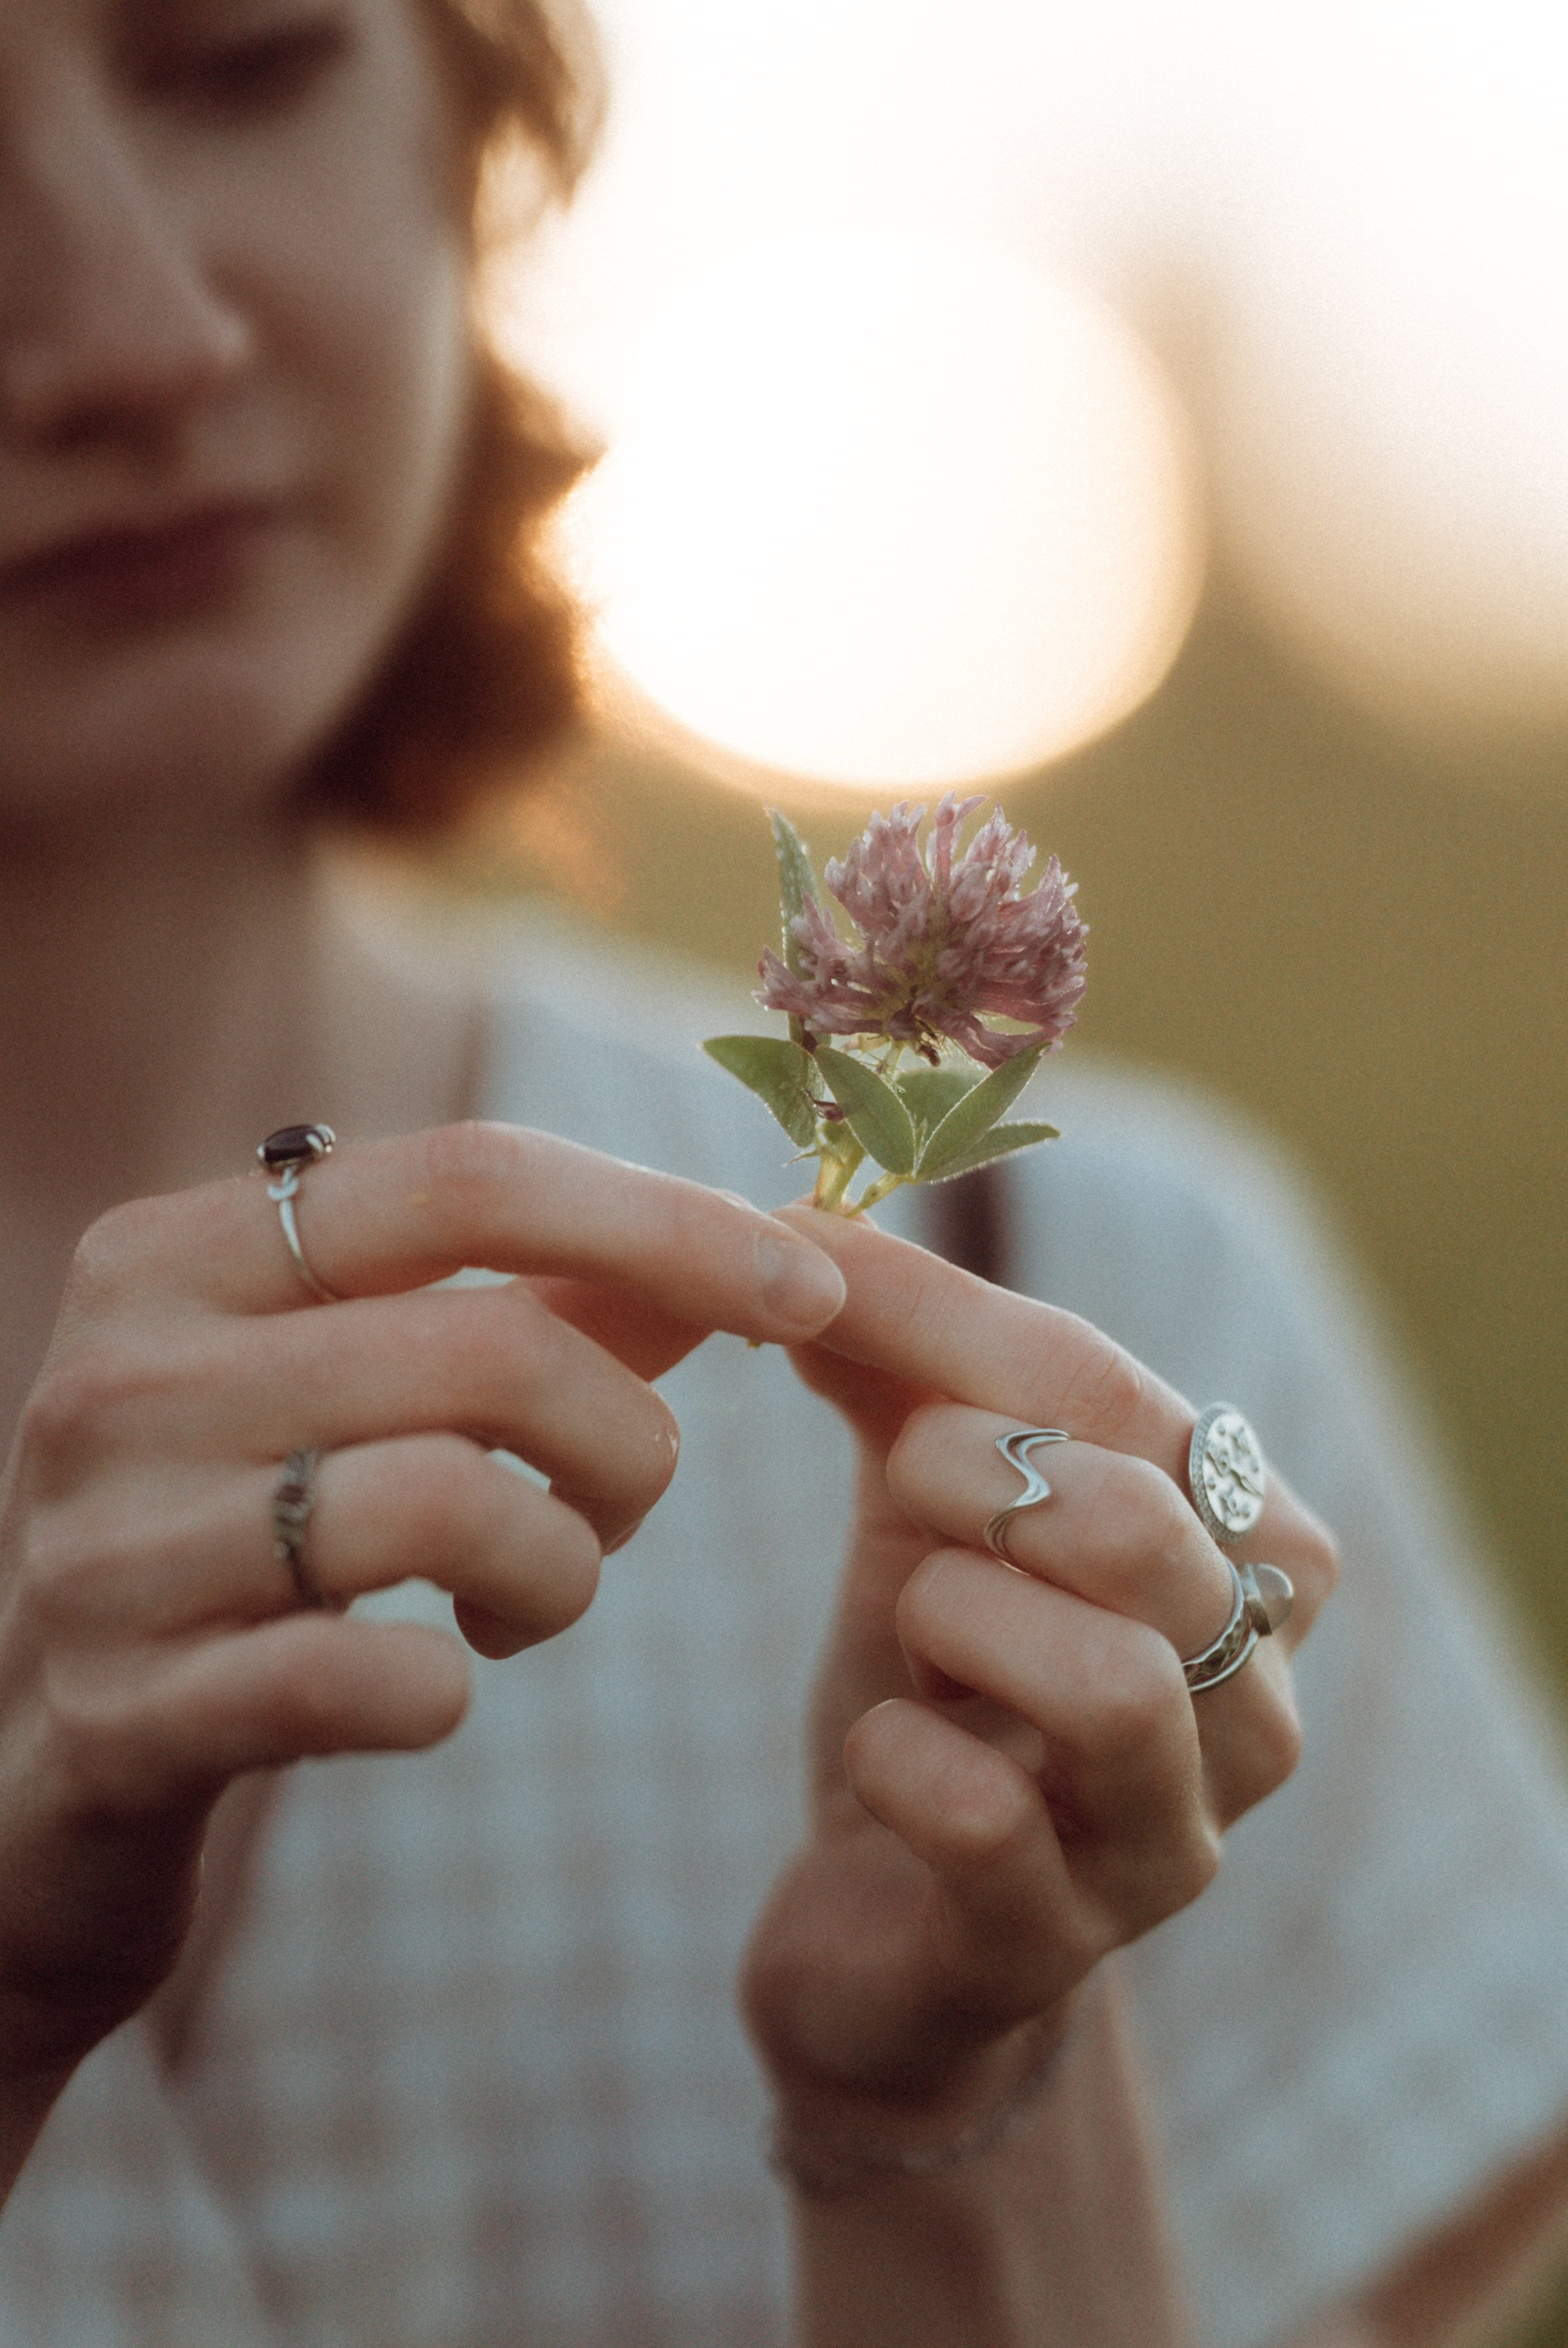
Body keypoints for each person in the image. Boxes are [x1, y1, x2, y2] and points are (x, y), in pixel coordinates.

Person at [0, 4, 1564, 2344]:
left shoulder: (1115, 1308)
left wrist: (961, 2087)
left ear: (465, 118)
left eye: (238, 61)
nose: (132, 326)